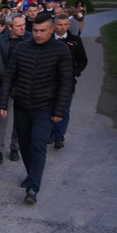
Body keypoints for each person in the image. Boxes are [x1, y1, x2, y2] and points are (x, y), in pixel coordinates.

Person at [0, 13, 73, 204]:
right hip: (22, 105)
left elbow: (66, 82)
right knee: (24, 144)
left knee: (38, 144)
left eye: (43, 31)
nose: (38, 35)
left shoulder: (60, 50)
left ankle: (33, 187)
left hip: (45, 107)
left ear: (52, 30)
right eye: (35, 31)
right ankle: (32, 174)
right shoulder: (22, 48)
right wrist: (3, 102)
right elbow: (9, 77)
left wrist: (59, 110)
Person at [0, 13, 32, 164]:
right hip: (3, 85)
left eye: (24, 25)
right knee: (0, 119)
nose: (23, 28)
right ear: (9, 27)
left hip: (23, 86)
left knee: (20, 119)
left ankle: (15, 148)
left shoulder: (30, 39)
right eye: (19, 26)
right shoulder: (0, 41)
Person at [50, 13, 88, 149]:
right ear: (54, 26)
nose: (63, 27)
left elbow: (83, 60)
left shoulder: (75, 40)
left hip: (67, 82)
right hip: (49, 81)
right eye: (60, 25)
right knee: (49, 107)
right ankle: (50, 133)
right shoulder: (49, 40)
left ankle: (59, 137)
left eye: (66, 24)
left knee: (64, 109)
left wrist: (74, 72)